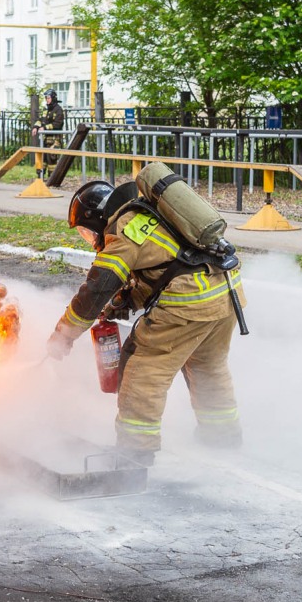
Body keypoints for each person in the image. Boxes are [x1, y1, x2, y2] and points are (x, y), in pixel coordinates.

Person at [45, 176, 243, 463]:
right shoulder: (149, 212)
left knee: (143, 369)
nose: (91, 241)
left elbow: (97, 289)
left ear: (99, 218)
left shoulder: (122, 230)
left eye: (88, 233)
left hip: (190, 303)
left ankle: (135, 451)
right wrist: (124, 302)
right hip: (225, 292)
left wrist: (63, 334)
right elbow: (169, 265)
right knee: (208, 366)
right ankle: (223, 438)